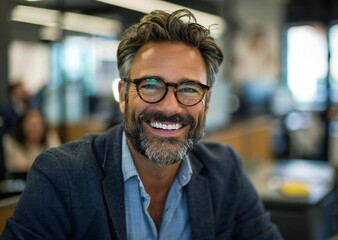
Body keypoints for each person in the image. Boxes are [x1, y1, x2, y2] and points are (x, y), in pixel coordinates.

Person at [1, 9, 283, 239]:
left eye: (188, 89)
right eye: (150, 84)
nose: (170, 106)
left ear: (206, 104)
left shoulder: (225, 172)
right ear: (123, 95)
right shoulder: (61, 176)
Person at [3, 108, 61, 173]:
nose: (38, 129)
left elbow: (58, 160)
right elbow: (17, 167)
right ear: (23, 125)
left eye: (41, 125)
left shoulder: (49, 135)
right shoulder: (11, 141)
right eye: (33, 125)